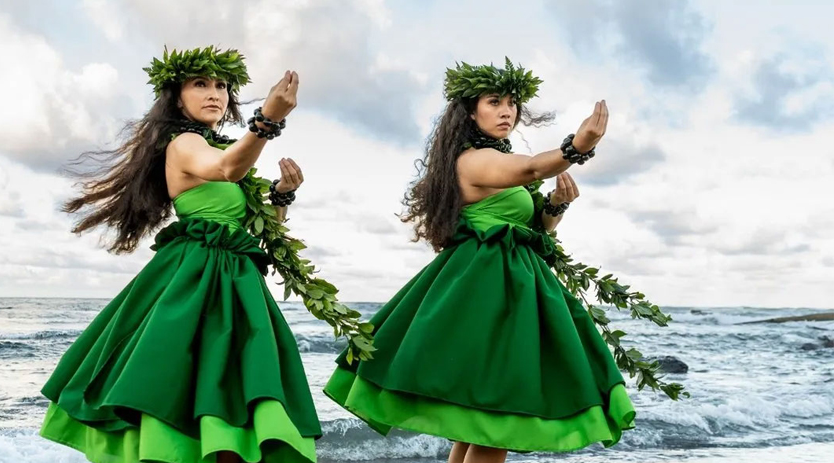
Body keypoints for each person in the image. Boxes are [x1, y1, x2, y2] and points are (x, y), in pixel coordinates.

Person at [324, 58, 636, 462]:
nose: (507, 110)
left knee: (479, 422)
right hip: (488, 291)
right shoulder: (474, 160)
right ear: (471, 112)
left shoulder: (495, 159)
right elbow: (532, 167)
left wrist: (556, 206)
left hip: (511, 289)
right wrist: (579, 145)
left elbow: (538, 230)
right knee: (496, 414)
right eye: (494, 101)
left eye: (512, 103)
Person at [39, 46, 320, 463]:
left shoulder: (223, 144)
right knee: (192, 388)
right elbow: (226, 168)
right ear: (176, 96)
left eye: (222, 86)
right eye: (200, 84)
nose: (214, 94)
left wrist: (281, 195)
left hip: (237, 281)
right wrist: (269, 120)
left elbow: (261, 228)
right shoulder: (184, 142)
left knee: (233, 396)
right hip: (195, 279)